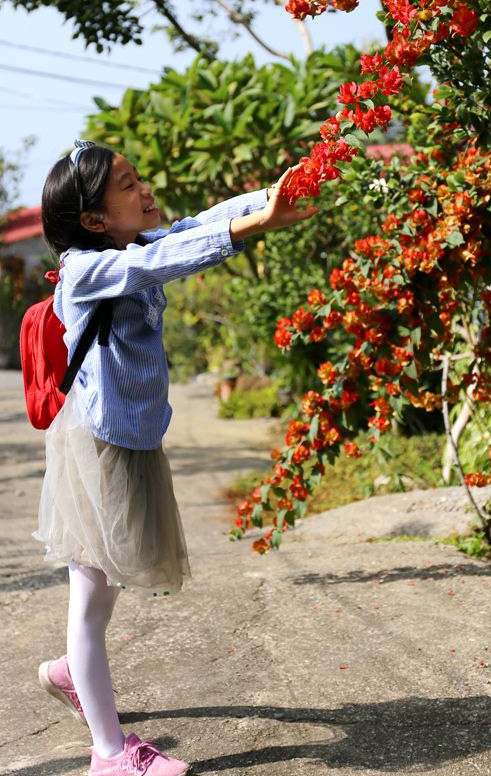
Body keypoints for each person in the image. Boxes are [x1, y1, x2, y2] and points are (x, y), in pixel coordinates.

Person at [33, 140, 317, 776]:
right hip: (95, 446)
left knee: (101, 594)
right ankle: (108, 755)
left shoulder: (130, 243)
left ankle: (66, 672)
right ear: (94, 220)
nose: (145, 190)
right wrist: (257, 223)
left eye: (138, 176)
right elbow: (165, 259)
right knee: (91, 595)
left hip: (130, 439)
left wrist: (271, 198)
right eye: (128, 185)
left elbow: (199, 226)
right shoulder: (87, 269)